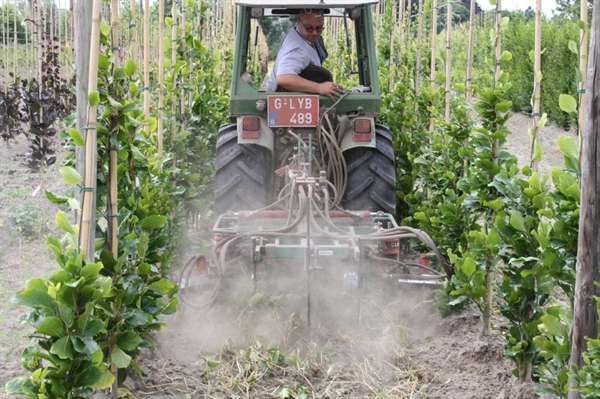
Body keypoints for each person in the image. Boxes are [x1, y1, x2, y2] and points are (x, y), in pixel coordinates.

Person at [266, 9, 345, 100]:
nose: (314, 32)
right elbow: (284, 78)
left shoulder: (303, 36)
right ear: (299, 22)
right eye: (309, 28)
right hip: (284, 103)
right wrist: (319, 87)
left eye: (319, 28)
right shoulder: (298, 48)